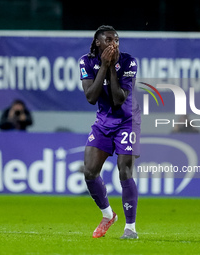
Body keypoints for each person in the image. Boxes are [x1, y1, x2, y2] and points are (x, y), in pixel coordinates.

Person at [79, 25, 141, 239]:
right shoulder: (86, 62)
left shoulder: (128, 61)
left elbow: (118, 99)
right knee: (89, 172)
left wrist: (111, 67)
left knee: (124, 169)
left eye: (116, 40)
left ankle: (130, 228)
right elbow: (91, 97)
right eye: (108, 40)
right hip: (103, 122)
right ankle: (108, 215)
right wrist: (103, 67)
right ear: (98, 43)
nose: (113, 44)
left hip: (127, 120)